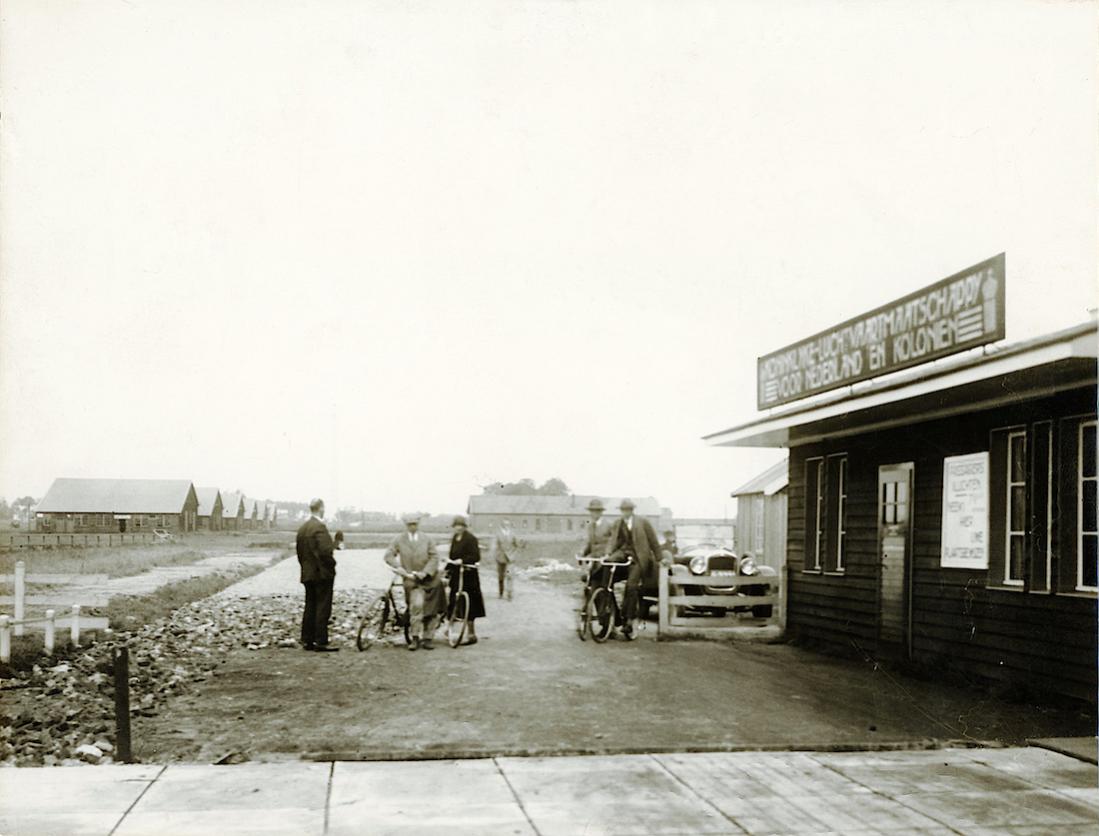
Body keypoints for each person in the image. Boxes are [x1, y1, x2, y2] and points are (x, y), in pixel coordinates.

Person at [383, 513, 444, 651]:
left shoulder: (427, 539)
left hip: (429, 579)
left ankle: (428, 638)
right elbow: (388, 555)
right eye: (409, 524)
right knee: (416, 606)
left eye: (414, 524)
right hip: (411, 579)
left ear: (419, 524)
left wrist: (426, 572)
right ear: (405, 525)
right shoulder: (399, 539)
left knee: (432, 608)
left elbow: (434, 557)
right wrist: (398, 567)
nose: (412, 527)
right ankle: (415, 638)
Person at [605, 498, 664, 638]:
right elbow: (612, 541)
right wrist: (608, 554)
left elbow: (653, 542)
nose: (625, 512)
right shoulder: (618, 523)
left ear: (632, 510)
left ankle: (629, 620)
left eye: (628, 510)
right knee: (606, 576)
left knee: (631, 586)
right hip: (623, 554)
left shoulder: (643, 522)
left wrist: (660, 558)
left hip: (638, 558)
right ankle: (616, 616)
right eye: (623, 510)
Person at [296, 498, 338, 652]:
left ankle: (307, 640)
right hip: (322, 574)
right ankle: (321, 641)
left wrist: (305, 568)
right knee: (322, 606)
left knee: (310, 605)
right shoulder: (320, 527)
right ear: (321, 508)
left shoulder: (303, 528)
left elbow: (300, 553)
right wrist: (332, 566)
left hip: (307, 573)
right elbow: (326, 552)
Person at [447, 516, 485, 645]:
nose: (458, 528)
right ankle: (450, 627)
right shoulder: (454, 538)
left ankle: (471, 633)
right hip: (457, 574)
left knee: (471, 603)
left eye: (461, 525)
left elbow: (476, 556)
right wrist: (448, 566)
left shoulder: (471, 539)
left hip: (469, 574)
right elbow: (452, 555)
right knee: (454, 600)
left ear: (464, 526)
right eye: (456, 525)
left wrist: (463, 561)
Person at [580, 498, 615, 597]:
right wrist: (582, 552)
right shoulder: (590, 526)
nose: (594, 514)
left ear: (601, 512)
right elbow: (589, 543)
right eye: (592, 511)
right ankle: (593, 608)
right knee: (590, 584)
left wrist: (608, 554)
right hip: (594, 560)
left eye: (596, 511)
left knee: (605, 586)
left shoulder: (609, 524)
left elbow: (612, 541)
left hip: (605, 560)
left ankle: (608, 609)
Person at [494, 519, 517, 598]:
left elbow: (516, 544)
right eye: (505, 524)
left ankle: (509, 593)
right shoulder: (498, 534)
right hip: (500, 558)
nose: (506, 526)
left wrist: (514, 553)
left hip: (510, 558)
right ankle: (501, 592)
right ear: (502, 525)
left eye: (508, 524)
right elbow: (495, 546)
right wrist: (496, 555)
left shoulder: (513, 534)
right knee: (501, 576)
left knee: (509, 575)